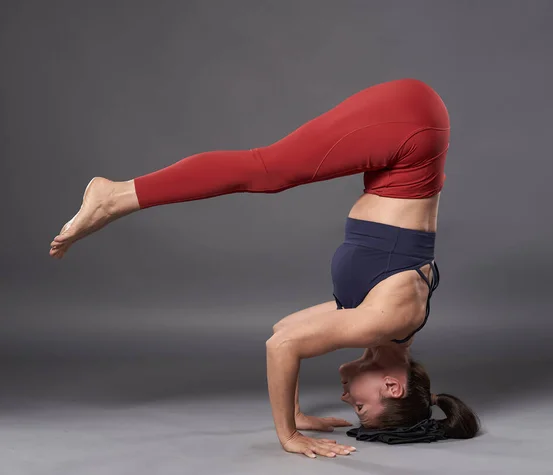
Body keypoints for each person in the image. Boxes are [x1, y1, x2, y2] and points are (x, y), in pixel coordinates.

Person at [49, 78, 480, 458]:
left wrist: (295, 409)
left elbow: (281, 331)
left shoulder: (377, 324)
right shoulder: (385, 320)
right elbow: (284, 348)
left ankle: (119, 195)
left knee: (271, 170)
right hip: (411, 131)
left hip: (407, 140)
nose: (348, 401)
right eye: (362, 407)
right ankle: (115, 195)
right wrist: (288, 434)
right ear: (393, 388)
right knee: (268, 170)